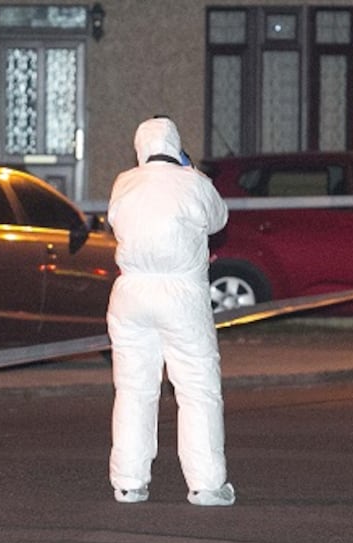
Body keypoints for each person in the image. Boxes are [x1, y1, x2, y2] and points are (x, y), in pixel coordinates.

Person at [105, 116, 234, 506]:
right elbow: (219, 219)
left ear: (140, 148)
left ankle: (128, 482)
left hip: (130, 293)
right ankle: (207, 484)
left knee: (133, 389)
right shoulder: (193, 183)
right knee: (197, 389)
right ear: (176, 146)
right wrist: (189, 169)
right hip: (181, 293)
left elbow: (117, 222)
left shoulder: (123, 184)